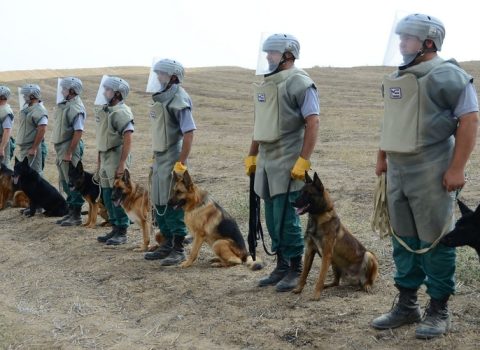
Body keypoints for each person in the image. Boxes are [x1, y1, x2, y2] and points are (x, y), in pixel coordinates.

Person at [372, 13, 479, 339]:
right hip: (399, 172)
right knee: (403, 239)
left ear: (429, 41)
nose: (401, 43)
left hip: (432, 169)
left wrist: (456, 167)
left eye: (407, 38)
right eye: (400, 37)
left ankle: (438, 309)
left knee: (435, 239)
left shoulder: (448, 76)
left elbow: (470, 119)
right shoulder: (398, 78)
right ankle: (406, 305)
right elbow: (391, 120)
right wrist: (382, 156)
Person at [245, 33, 320, 292]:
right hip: (267, 161)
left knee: (287, 218)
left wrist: (303, 161)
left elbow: (313, 122)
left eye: (273, 53)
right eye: (266, 53)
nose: (268, 57)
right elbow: (259, 125)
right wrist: (252, 154)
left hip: (288, 162)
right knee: (271, 216)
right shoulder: (267, 85)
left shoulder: (299, 82)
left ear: (288, 55)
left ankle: (296, 268)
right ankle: (281, 265)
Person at [144, 58, 196, 266]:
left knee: (172, 202)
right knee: (159, 201)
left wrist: (181, 164)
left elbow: (189, 132)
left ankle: (178, 248)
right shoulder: (161, 100)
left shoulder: (179, 100)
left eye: (161, 74)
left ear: (173, 77)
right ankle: (166, 243)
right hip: (160, 158)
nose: (157, 78)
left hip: (173, 158)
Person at [94, 76, 134, 246]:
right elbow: (101, 138)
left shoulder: (122, 112)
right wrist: (98, 163)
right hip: (105, 157)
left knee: (118, 195)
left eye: (108, 90)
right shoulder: (106, 111)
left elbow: (128, 137)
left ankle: (122, 231)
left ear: (117, 93)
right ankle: (115, 227)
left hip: (116, 156)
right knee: (108, 195)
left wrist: (122, 163)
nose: (104, 92)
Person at [53, 77, 86, 226]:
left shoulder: (75, 108)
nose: (62, 91)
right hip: (62, 148)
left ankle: (76, 215)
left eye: (64, 88)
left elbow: (78, 131)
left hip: (69, 148)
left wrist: (70, 152)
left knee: (73, 182)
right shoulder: (65, 105)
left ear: (72, 91)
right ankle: (70, 211)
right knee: (65, 181)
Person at [16, 84, 48, 176]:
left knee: (33, 175)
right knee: (24, 175)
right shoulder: (27, 108)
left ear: (32, 96)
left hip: (31, 148)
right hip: (25, 148)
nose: (24, 97)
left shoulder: (40, 110)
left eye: (25, 95)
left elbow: (42, 129)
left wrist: (34, 148)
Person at [0, 86, 15, 168]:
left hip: (2, 143)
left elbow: (7, 131)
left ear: (2, 97)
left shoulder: (6, 111)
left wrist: (2, 148)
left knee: (4, 169)